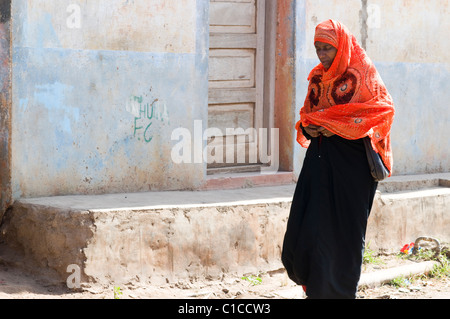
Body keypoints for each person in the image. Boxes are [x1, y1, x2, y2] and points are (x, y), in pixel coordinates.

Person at [281, 19, 395, 299]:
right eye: (318, 48)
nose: (321, 54)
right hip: (319, 162)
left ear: (341, 46)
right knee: (307, 227)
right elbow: (307, 114)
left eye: (327, 49)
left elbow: (382, 109)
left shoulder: (362, 73)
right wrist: (310, 126)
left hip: (352, 168)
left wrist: (332, 123)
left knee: (342, 235)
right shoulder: (318, 77)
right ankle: (314, 288)